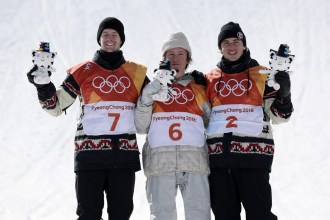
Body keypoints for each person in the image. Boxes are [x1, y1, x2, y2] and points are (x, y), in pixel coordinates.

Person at [27, 17, 148, 220]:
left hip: (124, 159)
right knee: (88, 214)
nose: (110, 39)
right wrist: (43, 84)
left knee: (122, 214)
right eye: (105, 35)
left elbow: (158, 102)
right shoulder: (82, 71)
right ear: (99, 39)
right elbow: (55, 106)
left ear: (122, 40)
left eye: (114, 35)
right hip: (90, 157)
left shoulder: (136, 73)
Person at [205, 22, 294, 220]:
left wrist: (284, 95)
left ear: (244, 45)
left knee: (259, 215)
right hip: (219, 165)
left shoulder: (262, 75)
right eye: (226, 43)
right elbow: (201, 117)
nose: (231, 47)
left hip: (254, 161)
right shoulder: (209, 79)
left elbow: (280, 117)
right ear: (220, 47)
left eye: (236, 41)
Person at [135, 32, 211, 220]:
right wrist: (146, 97)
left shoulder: (199, 88)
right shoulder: (152, 87)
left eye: (181, 54)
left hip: (194, 163)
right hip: (160, 164)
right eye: (171, 54)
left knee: (200, 216)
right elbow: (140, 126)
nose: (175, 59)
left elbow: (213, 124)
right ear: (164, 59)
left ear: (188, 59)